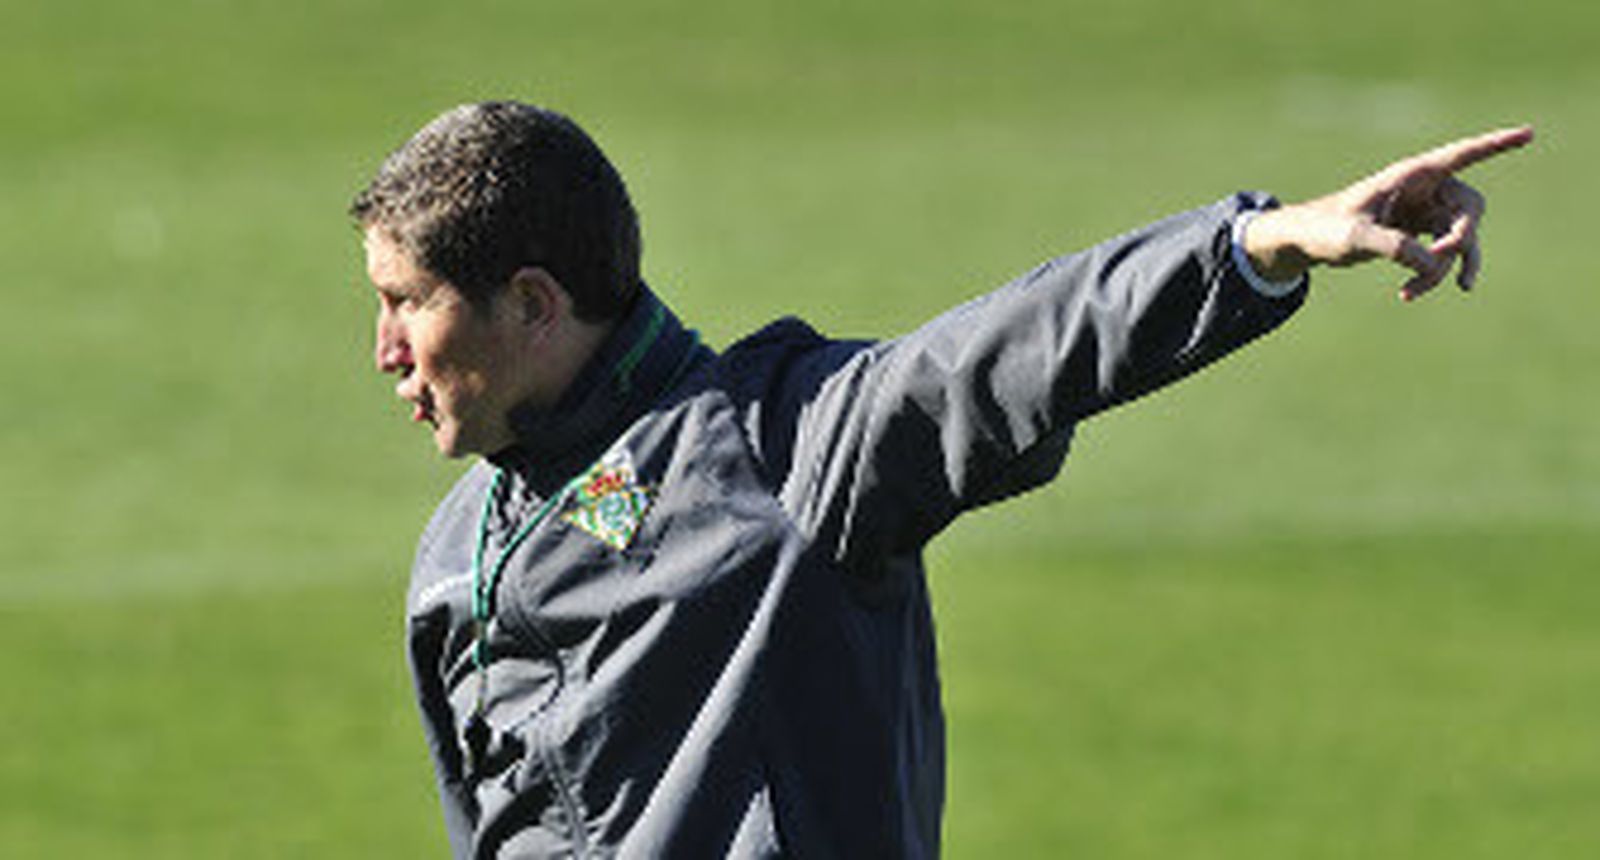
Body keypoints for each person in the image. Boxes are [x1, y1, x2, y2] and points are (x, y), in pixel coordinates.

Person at [351, 101, 1531, 858]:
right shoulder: (459, 548)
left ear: (534, 302)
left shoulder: (781, 446)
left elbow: (1011, 349)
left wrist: (1254, 248)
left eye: (406, 302)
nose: (385, 349)